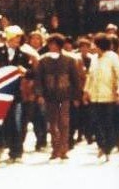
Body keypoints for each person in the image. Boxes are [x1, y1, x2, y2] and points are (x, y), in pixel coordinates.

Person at [0, 25, 32, 162]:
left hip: (15, 94)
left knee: (16, 122)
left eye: (20, 38)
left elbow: (31, 73)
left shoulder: (23, 55)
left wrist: (26, 71)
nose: (17, 41)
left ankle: (16, 152)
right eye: (15, 37)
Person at [35, 33, 81, 160]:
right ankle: (55, 149)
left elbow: (75, 79)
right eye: (50, 44)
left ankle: (63, 149)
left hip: (64, 96)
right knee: (52, 123)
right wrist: (39, 95)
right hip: (50, 96)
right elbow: (38, 79)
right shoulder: (43, 60)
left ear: (60, 46)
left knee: (64, 123)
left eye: (54, 45)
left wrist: (77, 97)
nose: (52, 47)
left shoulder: (70, 60)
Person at [83, 33, 119, 162]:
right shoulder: (94, 59)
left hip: (109, 96)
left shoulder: (113, 57)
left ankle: (107, 149)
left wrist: (118, 92)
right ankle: (101, 146)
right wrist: (86, 92)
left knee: (108, 123)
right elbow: (90, 77)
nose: (92, 46)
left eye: (94, 43)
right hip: (95, 97)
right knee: (96, 123)